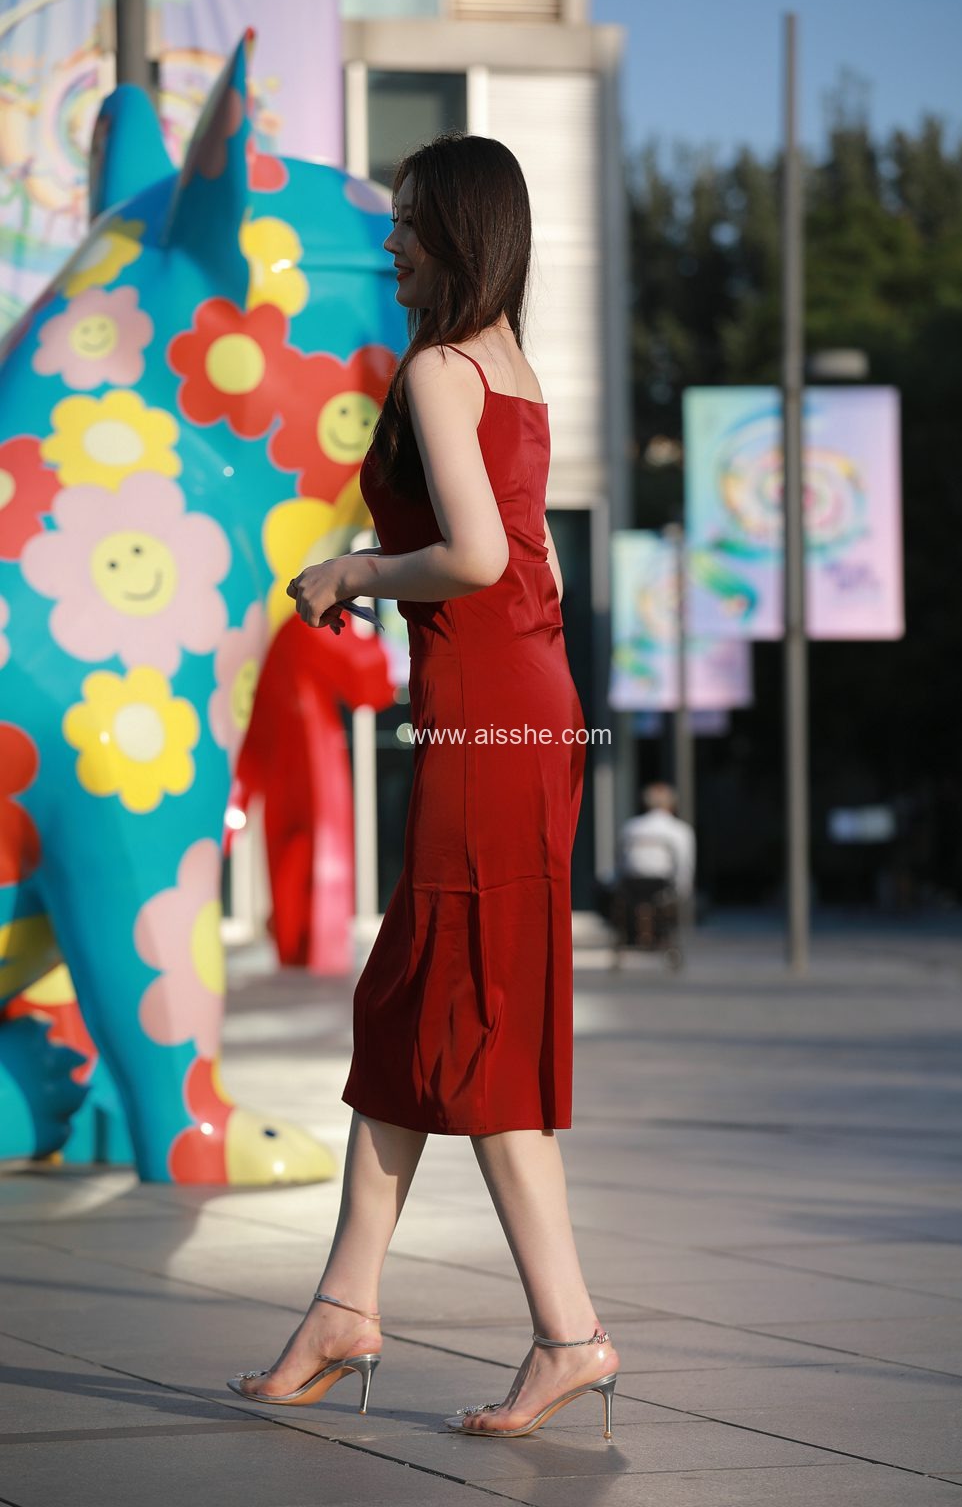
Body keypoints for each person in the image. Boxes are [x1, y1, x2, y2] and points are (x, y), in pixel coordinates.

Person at [227, 133, 619, 1441]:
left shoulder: (440, 369)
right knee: (411, 1001)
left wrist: (352, 572)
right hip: (520, 704)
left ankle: (567, 1333)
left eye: (407, 222)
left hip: (492, 716)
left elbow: (476, 553)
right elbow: (516, 559)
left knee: (470, 1007)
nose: (391, 241)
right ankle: (346, 1306)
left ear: (458, 230)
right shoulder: (507, 365)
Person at [614, 782, 696, 945]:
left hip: (632, 883)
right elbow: (684, 863)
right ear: (672, 804)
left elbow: (620, 859)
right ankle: (659, 933)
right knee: (666, 899)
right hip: (660, 883)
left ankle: (632, 933)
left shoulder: (631, 826)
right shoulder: (679, 829)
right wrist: (683, 890)